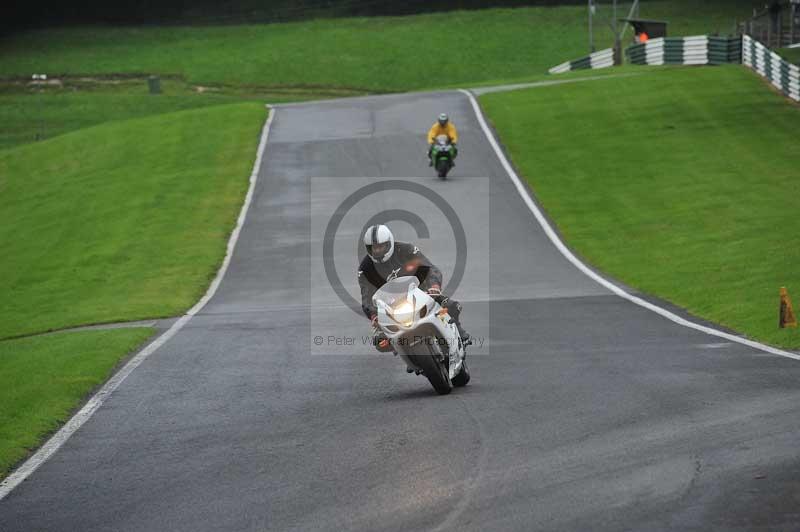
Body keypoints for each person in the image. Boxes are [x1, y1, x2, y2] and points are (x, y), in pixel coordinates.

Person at [358, 224, 470, 352]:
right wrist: (374, 315)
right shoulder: (365, 269)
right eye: (374, 248)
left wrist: (434, 286)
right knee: (380, 342)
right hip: (391, 306)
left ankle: (460, 333)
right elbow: (366, 298)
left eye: (381, 246)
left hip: (419, 292)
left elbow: (430, 269)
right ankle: (405, 351)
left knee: (449, 306)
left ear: (389, 243)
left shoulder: (406, 250)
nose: (377, 251)